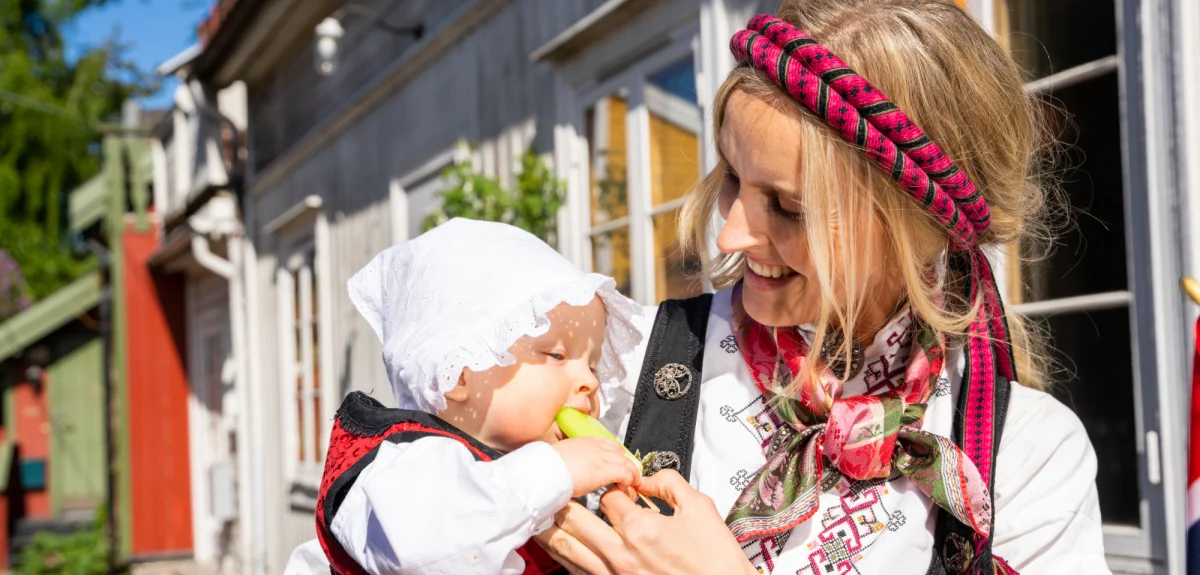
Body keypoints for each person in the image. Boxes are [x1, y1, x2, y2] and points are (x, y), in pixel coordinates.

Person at [537, 1, 1109, 573]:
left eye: (789, 208)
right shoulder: (615, 369)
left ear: (917, 227)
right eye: (733, 177)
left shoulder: (1027, 453)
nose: (731, 235)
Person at [284, 218, 646, 575]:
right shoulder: (411, 462)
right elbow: (417, 549)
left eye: (594, 365)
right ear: (458, 374)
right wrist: (555, 470)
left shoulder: (520, 475)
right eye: (557, 356)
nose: (590, 382)